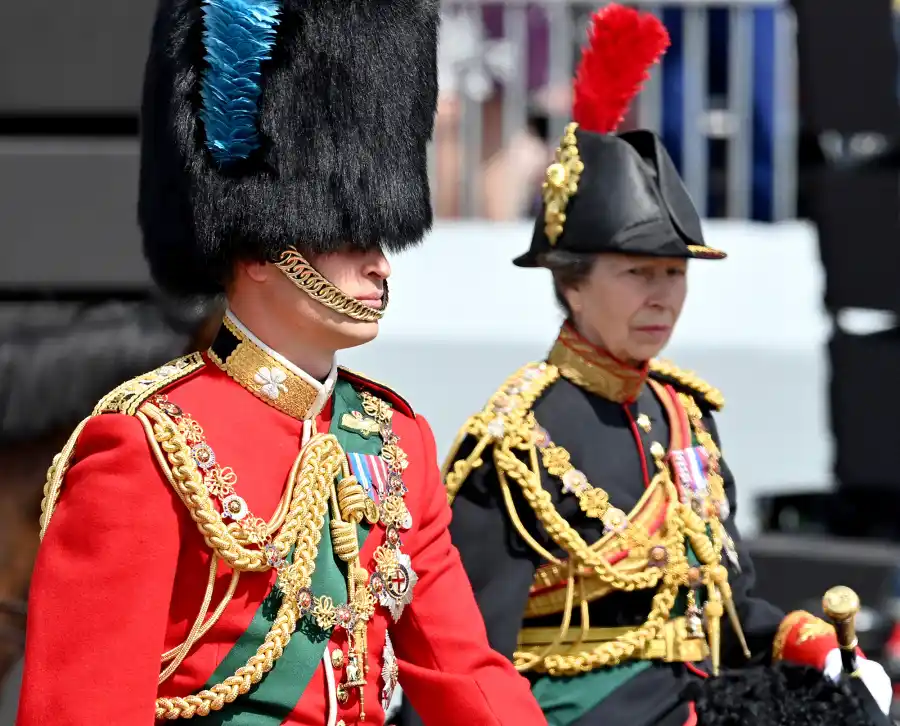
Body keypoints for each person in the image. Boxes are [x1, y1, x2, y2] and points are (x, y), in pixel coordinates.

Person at [15, 1, 546, 725]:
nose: (381, 263)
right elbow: (85, 708)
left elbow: (466, 676)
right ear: (263, 248)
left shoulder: (396, 440)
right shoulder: (146, 445)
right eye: (348, 232)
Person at [427, 5, 893, 726]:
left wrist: (809, 642)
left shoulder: (685, 417)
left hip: (693, 701)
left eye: (674, 274)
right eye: (638, 273)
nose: (662, 297)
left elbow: (728, 609)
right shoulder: (517, 441)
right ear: (571, 281)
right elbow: (468, 655)